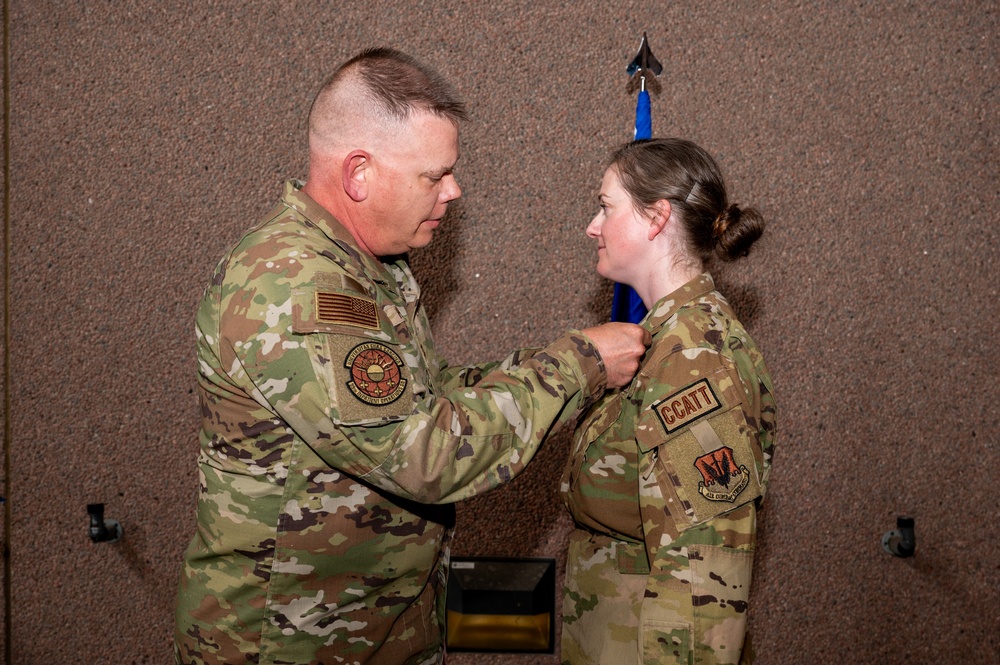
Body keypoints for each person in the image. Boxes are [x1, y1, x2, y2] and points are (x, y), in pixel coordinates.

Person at [172, 47, 650, 665]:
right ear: (359, 174)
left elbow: (425, 391)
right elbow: (425, 454)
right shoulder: (293, 287)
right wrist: (580, 364)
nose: (455, 190)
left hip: (370, 629)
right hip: (287, 642)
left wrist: (565, 361)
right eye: (434, 175)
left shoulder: (366, 266)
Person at [560, 138, 777, 665]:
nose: (593, 225)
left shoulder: (692, 357)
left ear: (656, 217)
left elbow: (703, 573)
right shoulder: (663, 337)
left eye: (606, 206)